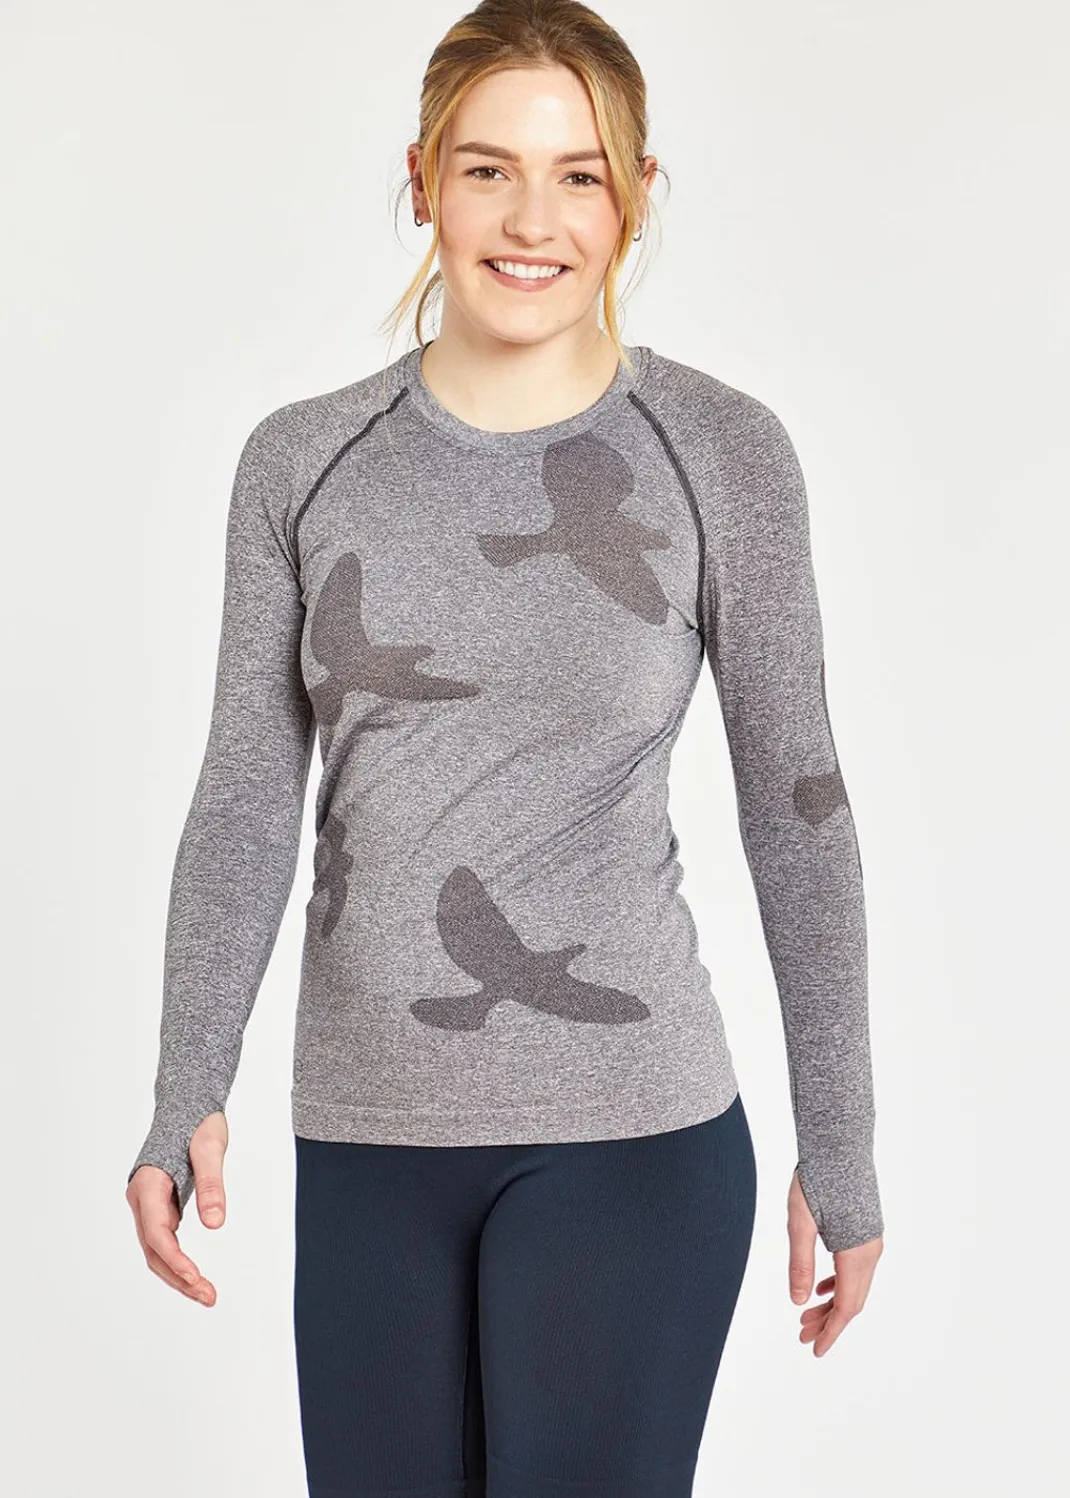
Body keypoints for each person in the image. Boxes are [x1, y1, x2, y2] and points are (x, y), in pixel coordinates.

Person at [126, 1, 885, 1492]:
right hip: (365, 1138)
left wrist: (841, 1150)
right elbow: (244, 797)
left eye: (577, 175)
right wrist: (182, 1087)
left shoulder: (721, 454)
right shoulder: (302, 462)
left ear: (635, 194)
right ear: (422, 180)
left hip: (632, 1134)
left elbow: (798, 809)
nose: (532, 221)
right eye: (488, 170)